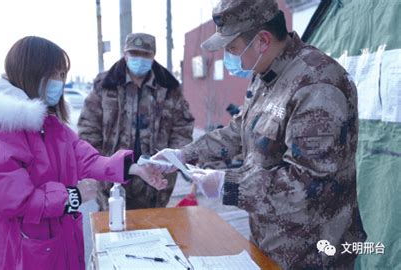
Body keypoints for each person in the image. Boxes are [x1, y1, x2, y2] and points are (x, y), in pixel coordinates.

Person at [150, 0, 366, 268]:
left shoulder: (317, 83)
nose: (228, 57)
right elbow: (240, 129)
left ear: (262, 40)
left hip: (314, 252)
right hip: (271, 240)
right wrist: (184, 154)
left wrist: (227, 184)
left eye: (232, 49)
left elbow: (308, 184)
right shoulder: (267, 75)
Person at [0, 36, 166, 270]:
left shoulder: (50, 124)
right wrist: (71, 197)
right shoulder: (3, 127)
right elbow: (3, 195)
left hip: (53, 244)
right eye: (55, 73)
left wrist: (132, 167)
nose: (60, 82)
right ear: (32, 71)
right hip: (20, 254)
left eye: (63, 74)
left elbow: (86, 158)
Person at [78, 33, 194, 210]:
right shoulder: (106, 84)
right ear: (125, 54)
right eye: (134, 53)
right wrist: (99, 164)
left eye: (145, 54)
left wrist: (173, 159)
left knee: (152, 229)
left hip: (156, 179)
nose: (139, 59)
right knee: (114, 227)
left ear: (153, 56)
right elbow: (88, 128)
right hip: (112, 179)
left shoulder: (169, 86)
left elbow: (182, 127)